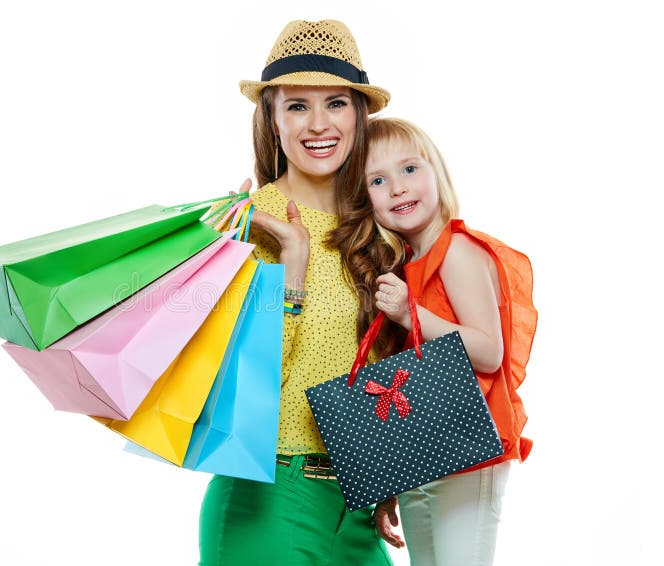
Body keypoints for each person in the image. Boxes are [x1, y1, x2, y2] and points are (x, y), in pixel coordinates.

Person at [198, 20, 403, 565]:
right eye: (297, 106)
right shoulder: (240, 221)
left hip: (360, 509)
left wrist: (389, 473)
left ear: (359, 115)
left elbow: (390, 368)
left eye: (335, 103)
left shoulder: (382, 225)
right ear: (271, 116)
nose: (319, 124)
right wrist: (292, 271)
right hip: (268, 498)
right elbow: (234, 387)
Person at [331, 116, 537, 565]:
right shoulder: (411, 261)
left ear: (436, 172)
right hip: (431, 449)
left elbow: (489, 350)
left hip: (470, 448)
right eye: (378, 180)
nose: (398, 188)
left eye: (409, 170)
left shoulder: (456, 251)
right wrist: (389, 480)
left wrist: (409, 313)